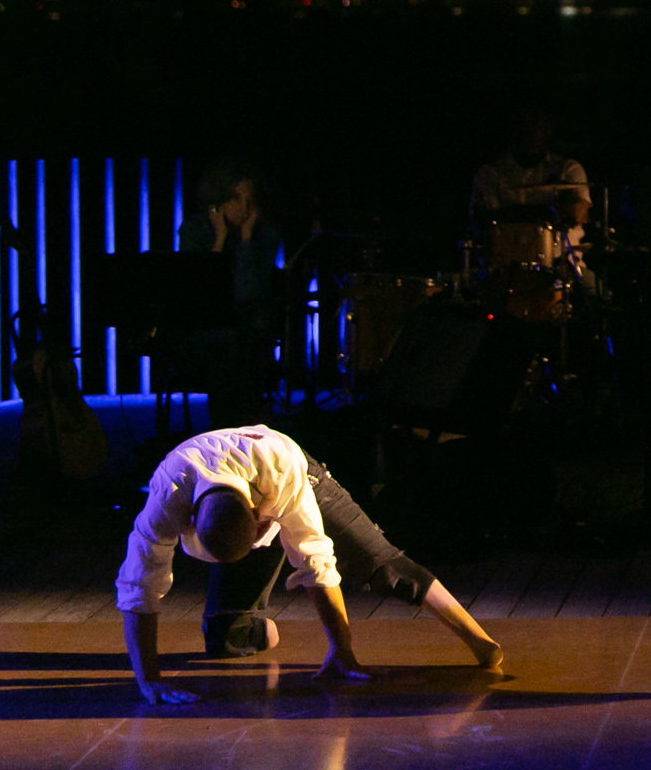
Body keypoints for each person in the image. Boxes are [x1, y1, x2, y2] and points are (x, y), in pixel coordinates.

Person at [115, 425, 503, 704]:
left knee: (377, 562)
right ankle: (259, 620)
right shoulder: (168, 498)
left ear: (258, 516)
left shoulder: (284, 474)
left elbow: (316, 557)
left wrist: (343, 651)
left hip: (295, 471)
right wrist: (149, 680)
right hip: (238, 505)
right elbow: (140, 586)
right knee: (226, 640)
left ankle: (480, 641)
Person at [172, 164, 284, 429]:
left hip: (250, 336)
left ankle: (238, 434)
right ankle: (228, 433)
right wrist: (219, 241)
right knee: (229, 349)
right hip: (203, 337)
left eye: (250, 200)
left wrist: (245, 242)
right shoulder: (195, 231)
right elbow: (203, 298)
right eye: (236, 198)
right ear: (217, 202)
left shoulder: (263, 235)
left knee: (241, 349)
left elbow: (248, 295)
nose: (244, 208)